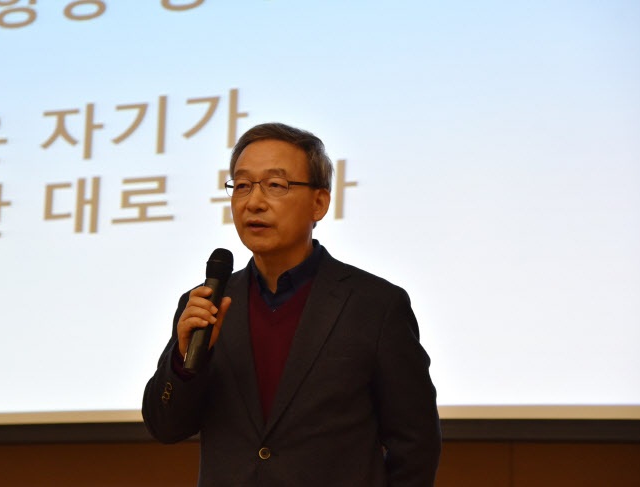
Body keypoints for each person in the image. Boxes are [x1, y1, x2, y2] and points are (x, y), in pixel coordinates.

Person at [142, 122, 441, 486]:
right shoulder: (207, 303)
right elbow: (166, 426)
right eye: (242, 185)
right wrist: (185, 363)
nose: (253, 202)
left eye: (275, 185)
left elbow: (416, 444)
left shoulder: (375, 306)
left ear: (319, 202)